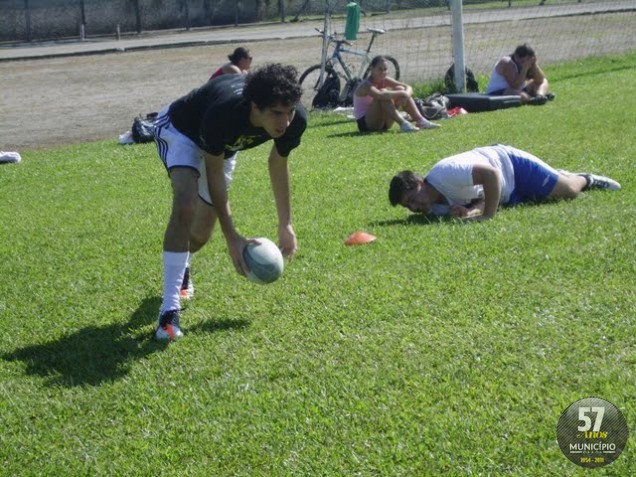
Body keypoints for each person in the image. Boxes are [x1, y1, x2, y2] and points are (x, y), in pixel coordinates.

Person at [153, 63, 307, 340]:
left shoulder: (296, 121)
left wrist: (286, 223)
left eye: (290, 112)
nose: (284, 122)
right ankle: (169, 310)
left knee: (199, 237)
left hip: (224, 148)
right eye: (276, 114)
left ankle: (183, 262)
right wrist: (232, 236)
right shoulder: (224, 112)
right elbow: (213, 173)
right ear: (255, 107)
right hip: (181, 131)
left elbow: (278, 163)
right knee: (185, 205)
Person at [388, 144, 620, 221]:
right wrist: (470, 212)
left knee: (568, 191)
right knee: (541, 199)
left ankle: (586, 178)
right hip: (505, 192)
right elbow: (481, 196)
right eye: (408, 207)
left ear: (420, 181)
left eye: (412, 199)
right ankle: (555, 176)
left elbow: (491, 175)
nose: (414, 208)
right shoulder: (436, 209)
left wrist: (487, 217)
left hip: (510, 166)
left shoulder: (446, 173)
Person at [353, 55, 440, 133]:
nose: (383, 72)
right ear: (372, 68)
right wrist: (402, 93)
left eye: (385, 69)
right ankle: (403, 124)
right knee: (384, 93)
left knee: (399, 88)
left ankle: (421, 121)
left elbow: (408, 87)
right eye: (380, 69)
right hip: (367, 125)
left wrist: (404, 94)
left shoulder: (385, 79)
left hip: (384, 124)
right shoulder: (366, 85)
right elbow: (379, 95)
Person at [486, 44, 554, 105]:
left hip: (521, 90)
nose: (526, 62)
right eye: (523, 60)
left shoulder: (528, 62)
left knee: (544, 81)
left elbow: (540, 79)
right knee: (510, 92)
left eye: (528, 60)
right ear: (516, 57)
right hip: (499, 93)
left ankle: (540, 96)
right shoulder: (506, 63)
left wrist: (534, 65)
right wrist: (525, 68)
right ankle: (532, 100)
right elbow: (515, 86)